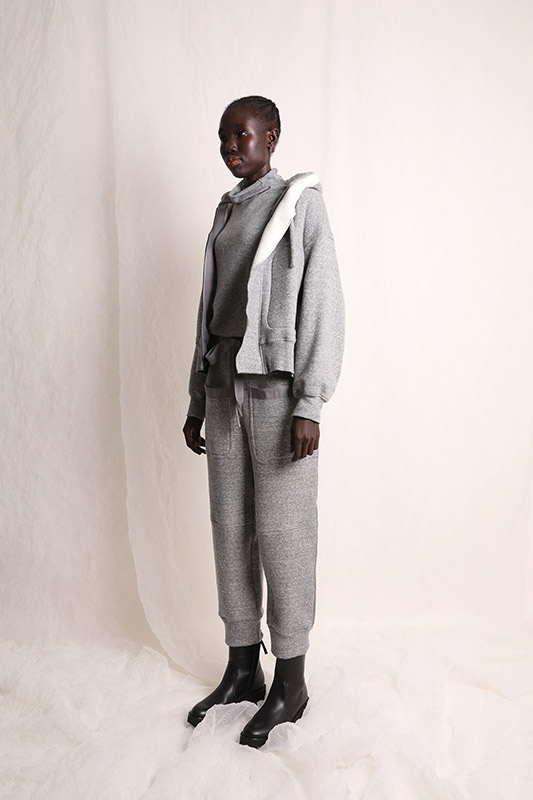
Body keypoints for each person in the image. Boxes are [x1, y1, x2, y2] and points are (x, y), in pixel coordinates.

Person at [183, 95, 344, 748]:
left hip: (278, 396)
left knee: (284, 534)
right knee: (230, 529)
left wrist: (310, 402)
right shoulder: (225, 210)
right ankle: (243, 667)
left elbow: (323, 302)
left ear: (271, 137)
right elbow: (209, 313)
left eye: (241, 135)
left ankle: (291, 681)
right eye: (223, 137)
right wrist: (196, 400)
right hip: (224, 391)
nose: (230, 147)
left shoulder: (298, 204)